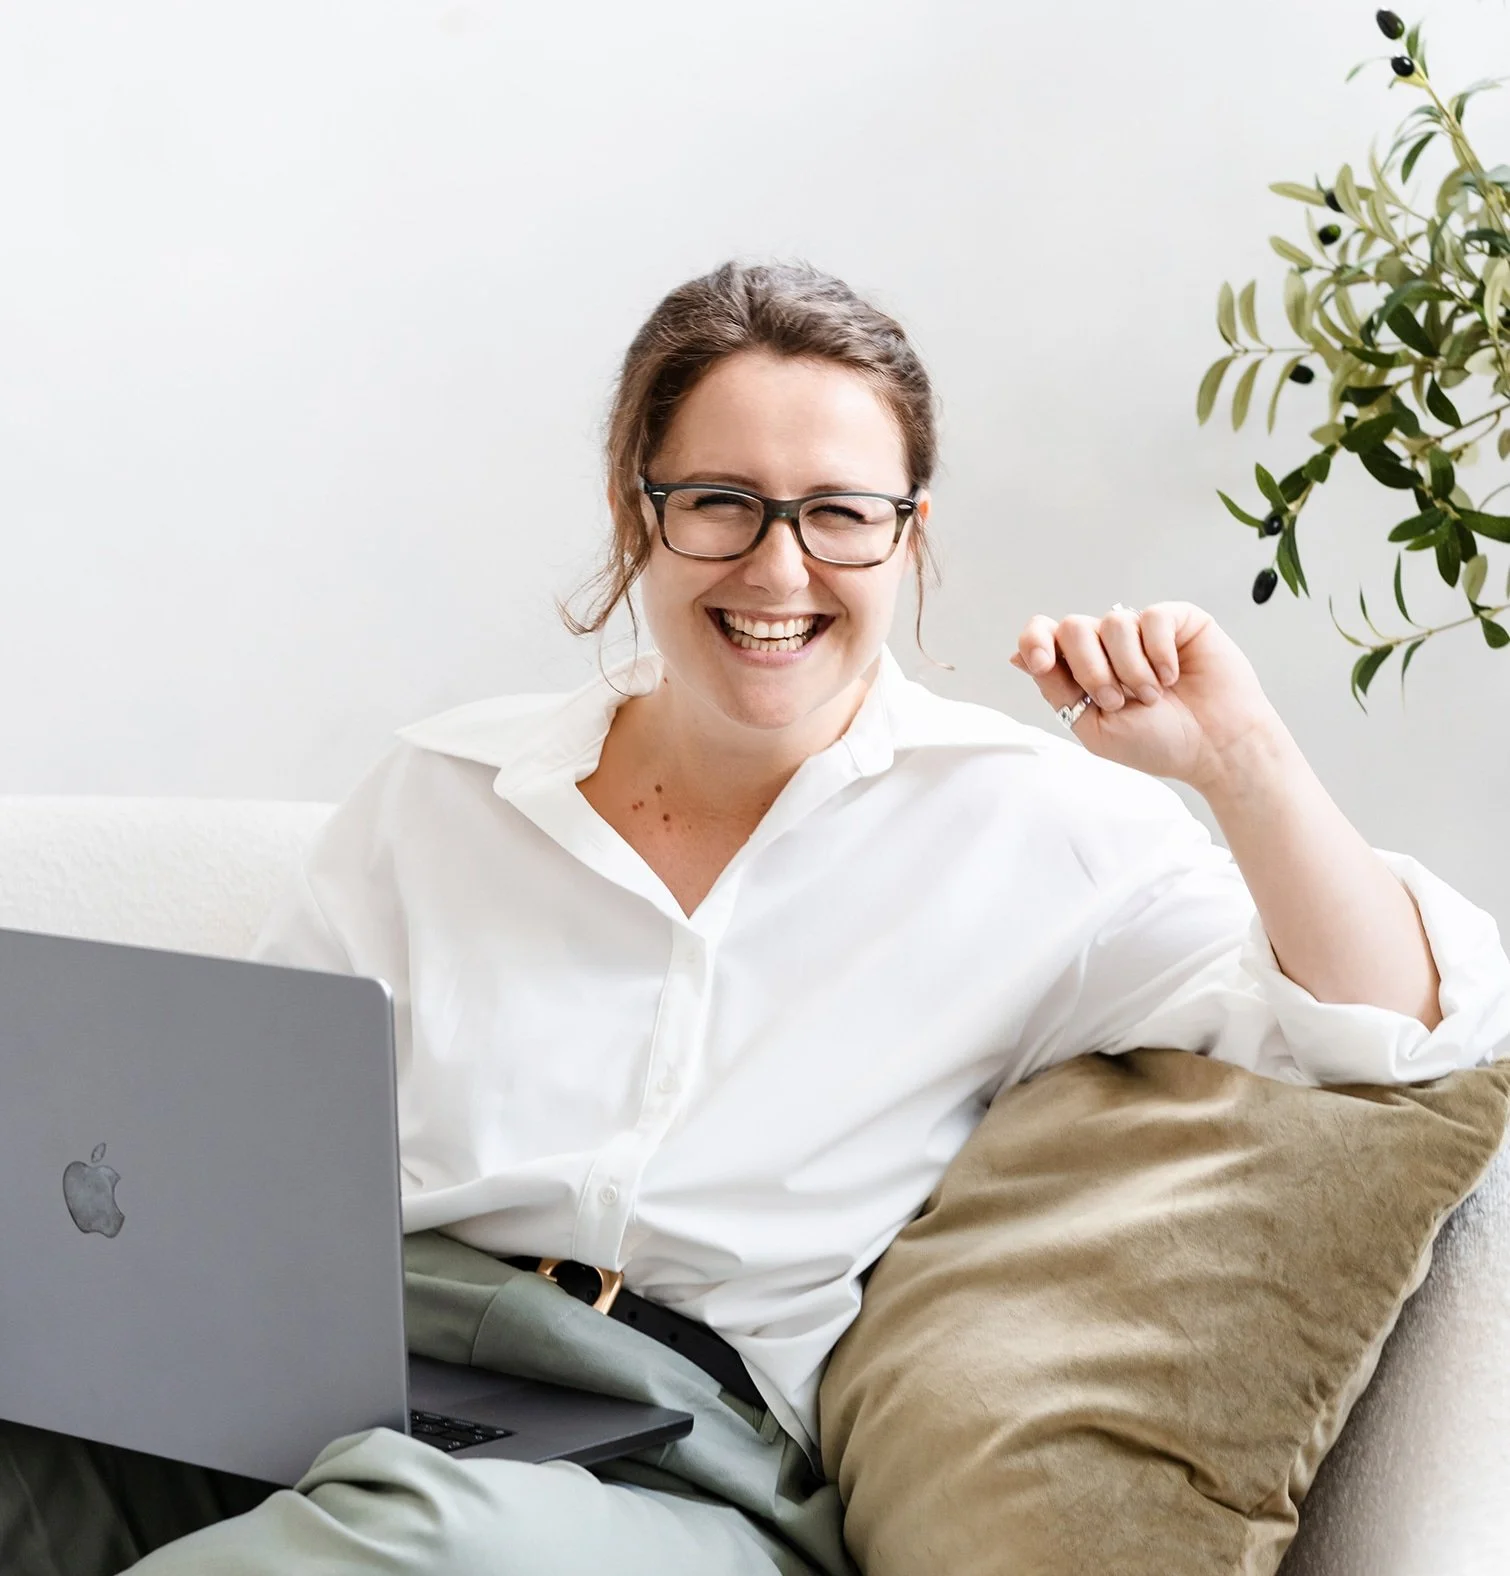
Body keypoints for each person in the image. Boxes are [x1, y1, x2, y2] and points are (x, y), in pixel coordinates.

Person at [5, 260, 1509, 1575]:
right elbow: (251, 1167)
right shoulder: (442, 789)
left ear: (910, 539)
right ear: (635, 515)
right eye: (719, 503)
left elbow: (1396, 1034)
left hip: (666, 1460)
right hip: (333, 1377)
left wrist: (1240, 763)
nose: (778, 568)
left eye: (840, 515)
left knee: (430, 1540)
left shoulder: (1030, 824)